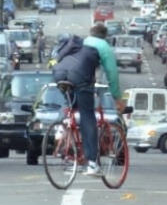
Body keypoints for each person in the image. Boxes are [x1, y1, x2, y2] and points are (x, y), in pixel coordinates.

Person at [52, 22, 124, 176]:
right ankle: (91, 162)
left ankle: (64, 131)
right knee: (87, 117)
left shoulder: (83, 42)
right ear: (105, 36)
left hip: (60, 74)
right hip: (80, 78)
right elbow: (112, 74)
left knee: (71, 107)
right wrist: (117, 98)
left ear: (91, 33)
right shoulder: (104, 47)